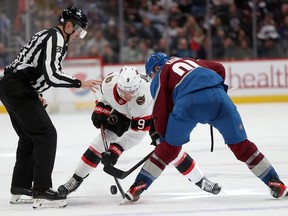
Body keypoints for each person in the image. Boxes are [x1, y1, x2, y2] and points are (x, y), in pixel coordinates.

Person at [124, 52, 288, 202]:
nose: (152, 77)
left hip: (188, 104)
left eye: (152, 73)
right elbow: (219, 68)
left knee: (169, 150)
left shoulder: (160, 75)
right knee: (242, 146)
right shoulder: (189, 61)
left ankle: (139, 185)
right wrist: (220, 89)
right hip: (219, 98)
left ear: (157, 68)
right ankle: (276, 183)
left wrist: (161, 136)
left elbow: (160, 109)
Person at [57, 66, 221, 197]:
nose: (129, 95)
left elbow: (136, 134)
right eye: (125, 91)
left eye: (132, 91)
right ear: (118, 85)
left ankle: (200, 180)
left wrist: (115, 150)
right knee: (99, 143)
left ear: (137, 88)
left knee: (169, 149)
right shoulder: (108, 82)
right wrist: (101, 110)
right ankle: (75, 179)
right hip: (123, 114)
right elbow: (105, 97)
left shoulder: (144, 97)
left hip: (153, 114)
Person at [0, 6, 101, 209]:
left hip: (12, 87)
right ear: (69, 25)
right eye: (79, 30)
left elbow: (30, 66)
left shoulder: (52, 37)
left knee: (29, 137)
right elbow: (51, 75)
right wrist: (79, 83)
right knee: (46, 134)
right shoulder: (55, 37)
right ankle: (42, 191)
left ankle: (20, 187)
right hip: (17, 89)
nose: (79, 35)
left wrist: (36, 93)